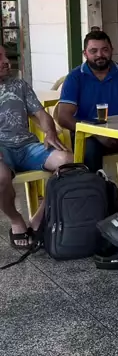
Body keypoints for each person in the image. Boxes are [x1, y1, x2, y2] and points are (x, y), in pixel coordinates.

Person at [0, 46, 72, 249]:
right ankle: (16, 220)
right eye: (0, 57)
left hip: (27, 146)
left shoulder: (19, 85)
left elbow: (41, 114)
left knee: (68, 163)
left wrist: (49, 132)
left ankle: (39, 218)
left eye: (5, 56)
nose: (7, 61)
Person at [57, 31, 118, 172]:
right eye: (93, 51)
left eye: (105, 50)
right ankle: (96, 186)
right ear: (85, 53)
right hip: (88, 135)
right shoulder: (75, 77)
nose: (100, 55)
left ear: (112, 50)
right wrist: (96, 133)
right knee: (90, 150)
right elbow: (63, 117)